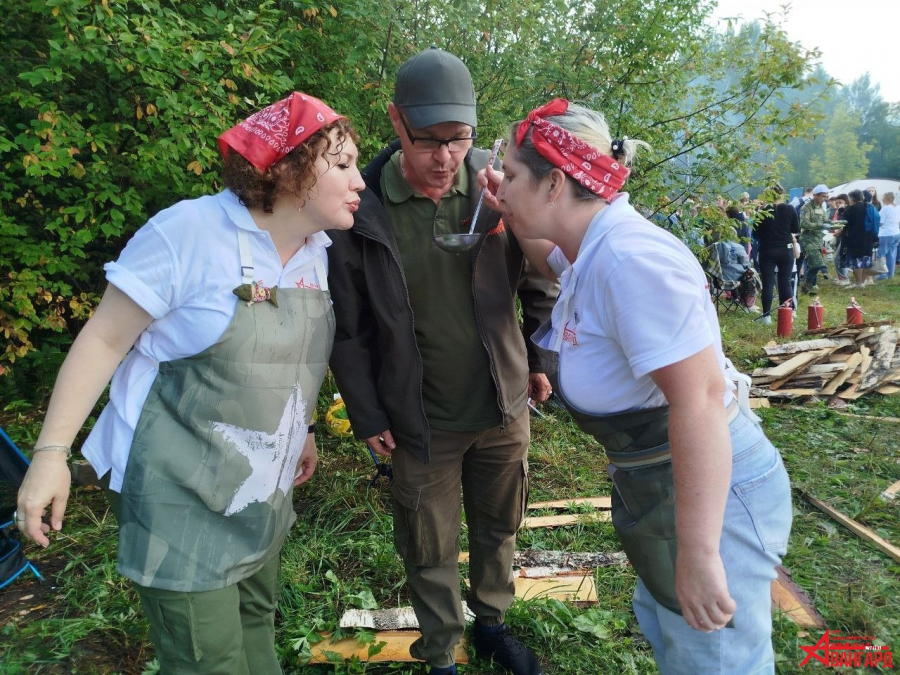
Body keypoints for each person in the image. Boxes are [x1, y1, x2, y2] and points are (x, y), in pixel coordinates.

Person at [15, 93, 364, 673]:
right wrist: (51, 454)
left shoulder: (315, 252)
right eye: (344, 164)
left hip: (258, 483)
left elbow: (290, 358)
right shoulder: (189, 232)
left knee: (257, 619)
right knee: (210, 658)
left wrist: (300, 427)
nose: (359, 182)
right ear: (288, 169)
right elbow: (103, 339)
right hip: (177, 485)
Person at [480, 98, 792, 674]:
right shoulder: (594, 245)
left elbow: (698, 400)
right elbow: (547, 258)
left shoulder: (631, 259)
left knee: (715, 659)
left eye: (514, 176)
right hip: (661, 485)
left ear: (554, 185)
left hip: (710, 498)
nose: (502, 190)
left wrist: (700, 554)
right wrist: (505, 198)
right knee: (674, 634)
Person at [326, 48, 556, 675]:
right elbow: (348, 329)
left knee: (499, 524)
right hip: (418, 417)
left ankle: (492, 624)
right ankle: (440, 656)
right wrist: (368, 410)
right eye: (430, 141)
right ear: (397, 122)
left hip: (503, 402)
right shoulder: (360, 207)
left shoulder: (497, 184)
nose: (445, 157)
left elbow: (538, 280)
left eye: (460, 140)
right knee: (428, 544)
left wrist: (539, 358)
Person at [752, 184, 800, 324]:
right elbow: (796, 229)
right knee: (785, 282)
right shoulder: (790, 208)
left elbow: (755, 233)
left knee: (768, 283)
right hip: (785, 249)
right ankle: (787, 314)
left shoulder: (762, 211)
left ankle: (766, 316)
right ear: (782, 194)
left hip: (767, 250)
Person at [798, 184, 830, 293]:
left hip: (818, 240)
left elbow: (825, 219)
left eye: (826, 197)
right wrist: (820, 225)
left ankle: (807, 285)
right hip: (808, 239)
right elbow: (803, 223)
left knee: (815, 265)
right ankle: (807, 285)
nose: (825, 199)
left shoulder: (821, 206)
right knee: (817, 263)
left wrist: (835, 224)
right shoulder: (806, 207)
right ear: (815, 195)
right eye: (823, 196)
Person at [843, 189, 875, 287]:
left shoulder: (851, 209)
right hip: (869, 236)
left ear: (852, 198)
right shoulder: (870, 207)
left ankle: (858, 283)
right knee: (866, 259)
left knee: (857, 260)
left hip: (855, 237)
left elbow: (845, 224)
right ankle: (863, 281)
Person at [874, 192, 900, 280]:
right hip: (896, 232)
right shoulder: (898, 207)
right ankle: (890, 274)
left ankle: (881, 274)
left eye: (884, 197)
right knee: (892, 254)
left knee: (881, 254)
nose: (882, 199)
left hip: (886, 233)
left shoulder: (885, 209)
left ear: (887, 199)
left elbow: (880, 222)